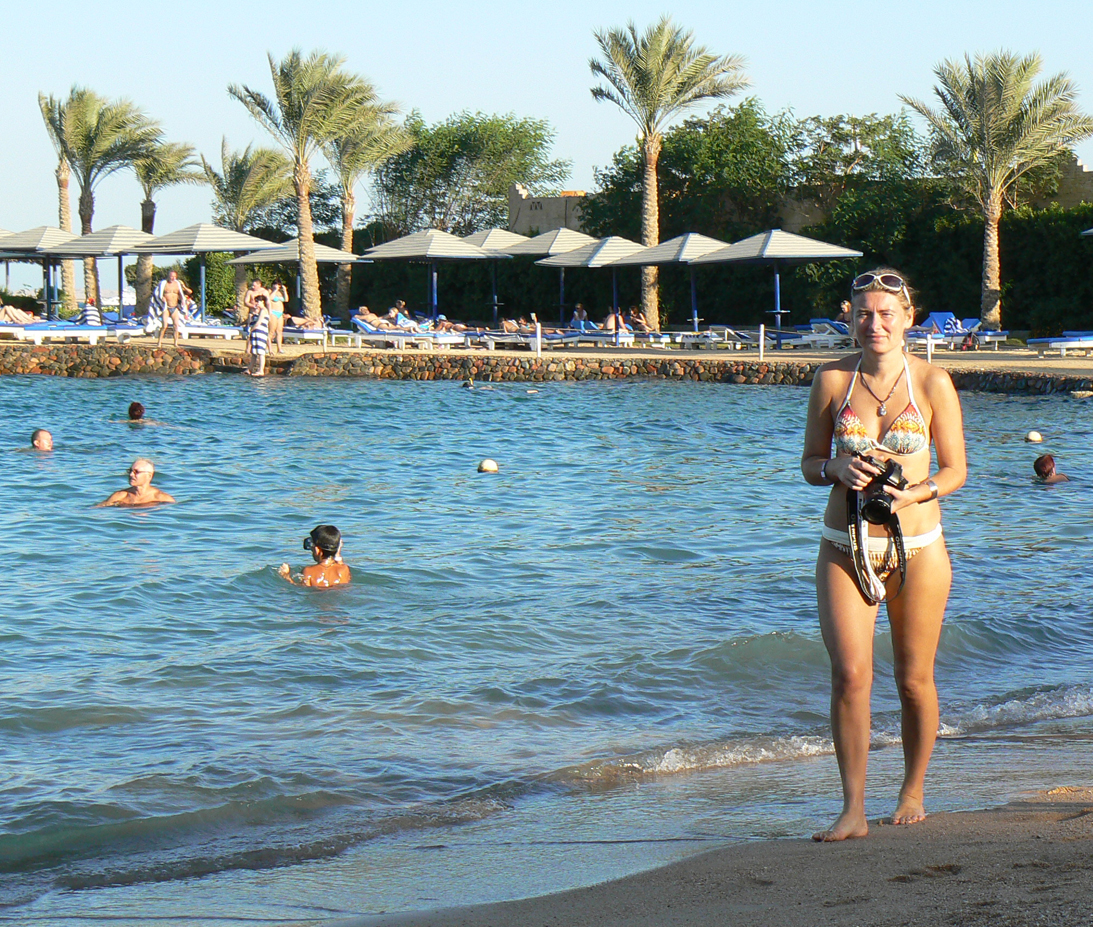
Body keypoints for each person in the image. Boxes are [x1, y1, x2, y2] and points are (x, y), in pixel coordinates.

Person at [800, 268, 966, 842]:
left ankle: (913, 791)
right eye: (863, 313)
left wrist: (916, 491)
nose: (875, 323)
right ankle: (852, 808)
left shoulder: (933, 381)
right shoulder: (829, 381)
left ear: (908, 318)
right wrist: (834, 469)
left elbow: (956, 469)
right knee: (849, 676)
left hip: (920, 546)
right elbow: (808, 464)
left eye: (886, 313)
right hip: (845, 546)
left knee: (915, 680)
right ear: (849, 316)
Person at [279, 525, 350, 587]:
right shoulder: (344, 569)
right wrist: (337, 553)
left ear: (317, 550)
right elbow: (340, 565)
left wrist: (286, 575)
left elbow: (298, 588)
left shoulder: (308, 571)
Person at [97, 458, 176, 506]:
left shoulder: (162, 499)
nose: (131, 474)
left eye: (136, 472)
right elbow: (98, 509)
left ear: (149, 476)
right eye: (130, 471)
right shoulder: (120, 496)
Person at [154, 271, 192, 348]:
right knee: (164, 326)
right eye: (171, 276)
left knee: (176, 325)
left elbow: (188, 292)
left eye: (174, 276)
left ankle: (175, 343)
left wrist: (183, 302)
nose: (173, 278)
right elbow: (157, 294)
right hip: (166, 307)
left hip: (175, 307)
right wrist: (162, 298)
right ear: (168, 276)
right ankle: (159, 342)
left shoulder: (178, 284)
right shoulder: (164, 284)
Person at [246, 291, 271, 376]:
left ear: (263, 302)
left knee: (261, 352)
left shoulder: (264, 310)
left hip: (260, 332)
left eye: (258, 301)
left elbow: (259, 322)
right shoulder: (259, 311)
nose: (256, 303)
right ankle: (249, 369)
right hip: (256, 332)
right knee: (254, 352)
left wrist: (251, 329)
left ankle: (261, 370)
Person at [269, 281, 288, 354]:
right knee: (271, 331)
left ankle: (279, 348)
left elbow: (286, 300)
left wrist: (284, 291)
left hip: (280, 313)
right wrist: (275, 290)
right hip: (273, 312)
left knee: (279, 331)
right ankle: (269, 347)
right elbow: (270, 298)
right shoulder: (270, 291)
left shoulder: (280, 293)